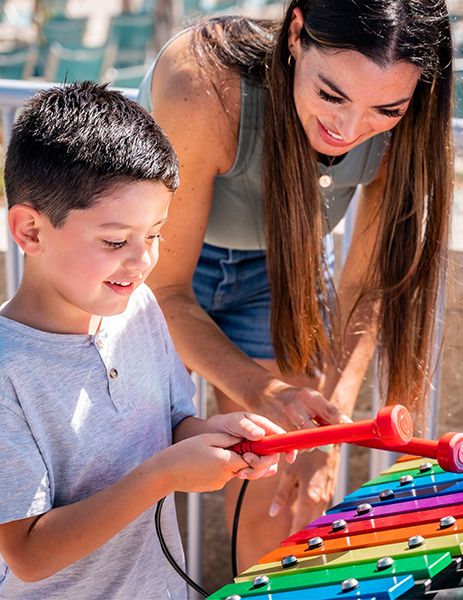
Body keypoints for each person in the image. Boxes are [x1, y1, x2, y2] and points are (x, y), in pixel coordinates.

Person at [139, 0, 454, 569]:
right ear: (296, 33)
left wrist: (330, 428)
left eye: (386, 109)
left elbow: (368, 289)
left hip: (280, 267)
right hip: (146, 268)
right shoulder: (202, 82)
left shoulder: (410, 126)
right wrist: (265, 392)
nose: (349, 130)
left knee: (279, 501)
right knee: (122, 463)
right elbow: (164, 290)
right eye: (332, 95)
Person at [0, 81, 295, 599]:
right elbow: (27, 554)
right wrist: (162, 476)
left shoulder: (139, 309)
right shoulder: (8, 371)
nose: (143, 261)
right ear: (30, 231)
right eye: (116, 241)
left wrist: (216, 435)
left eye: (154, 234)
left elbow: (171, 425)